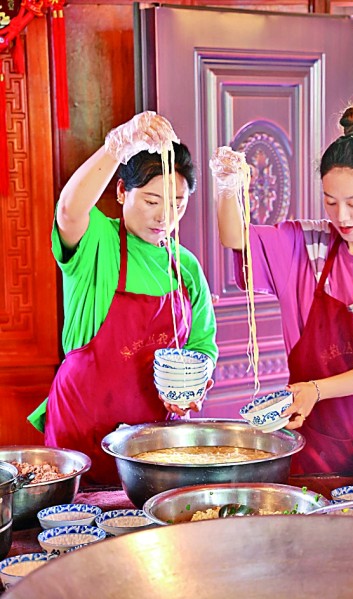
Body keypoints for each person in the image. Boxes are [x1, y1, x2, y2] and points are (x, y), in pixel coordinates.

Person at [28, 111, 218, 484]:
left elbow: (202, 346)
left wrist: (194, 386)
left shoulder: (185, 266)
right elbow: (69, 209)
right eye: (151, 201)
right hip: (81, 426)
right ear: (120, 192)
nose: (164, 217)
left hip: (153, 439)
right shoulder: (97, 241)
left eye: (178, 203)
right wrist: (116, 145)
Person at [210, 106, 353, 476]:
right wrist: (228, 186)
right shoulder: (308, 245)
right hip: (313, 445)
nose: (341, 216)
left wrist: (316, 389)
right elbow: (235, 237)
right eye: (330, 201)